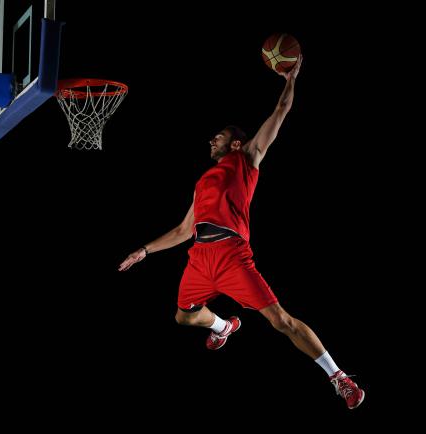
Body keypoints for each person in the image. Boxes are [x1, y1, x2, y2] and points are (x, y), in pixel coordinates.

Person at [118, 55, 365, 410]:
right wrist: (144, 250)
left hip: (232, 256)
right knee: (183, 315)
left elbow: (280, 112)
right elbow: (184, 229)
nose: (211, 141)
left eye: (218, 137)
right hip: (200, 259)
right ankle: (222, 326)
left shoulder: (247, 158)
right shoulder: (202, 182)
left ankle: (339, 377)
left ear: (235, 144)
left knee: (281, 321)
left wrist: (290, 80)